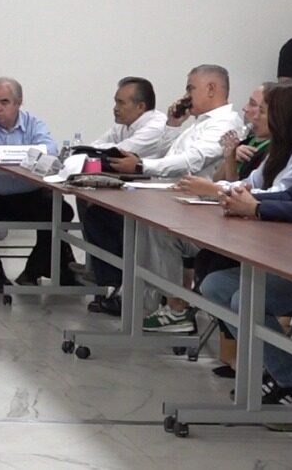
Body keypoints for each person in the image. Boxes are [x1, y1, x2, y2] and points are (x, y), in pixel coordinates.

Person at [82, 64, 242, 324]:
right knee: (129, 217)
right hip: (177, 200)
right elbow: (169, 153)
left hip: (201, 211)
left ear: (211, 89)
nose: (186, 96)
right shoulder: (200, 123)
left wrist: (141, 166)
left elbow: (191, 161)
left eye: (191, 88)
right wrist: (173, 124)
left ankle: (173, 306)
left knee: (153, 225)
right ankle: (141, 297)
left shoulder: (224, 124)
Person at [200, 95, 292, 407]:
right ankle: (291, 380)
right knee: (218, 286)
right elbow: (291, 196)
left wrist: (256, 209)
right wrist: (243, 199)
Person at [0, 77, 76, 294]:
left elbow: (49, 150)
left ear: (18, 102)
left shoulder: (33, 123)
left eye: (4, 102)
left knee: (62, 211)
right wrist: (27, 153)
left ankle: (32, 271)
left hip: (28, 195)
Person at [88, 76, 170, 157]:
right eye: (116, 102)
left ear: (140, 106)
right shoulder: (124, 123)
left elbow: (120, 152)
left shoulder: (156, 127)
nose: (115, 108)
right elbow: (94, 146)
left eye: (121, 103)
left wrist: (94, 149)